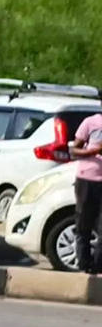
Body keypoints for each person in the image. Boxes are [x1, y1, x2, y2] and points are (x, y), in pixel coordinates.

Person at [69, 112, 102, 274]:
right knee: (83, 226)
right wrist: (94, 151)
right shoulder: (90, 122)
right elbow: (74, 151)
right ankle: (84, 266)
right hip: (87, 180)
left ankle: (98, 267)